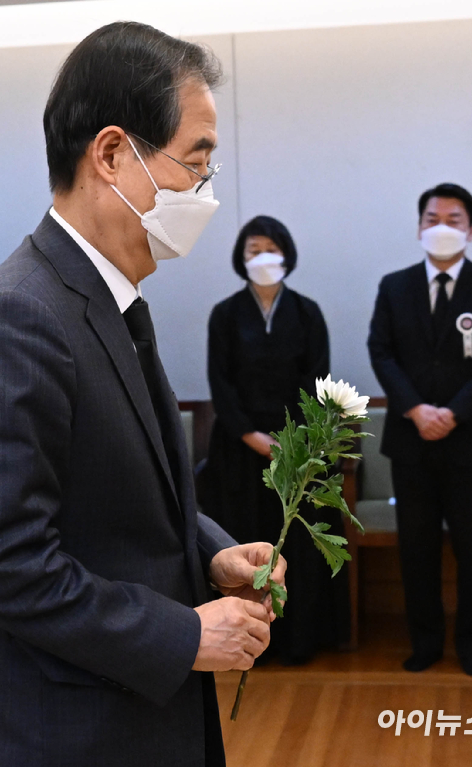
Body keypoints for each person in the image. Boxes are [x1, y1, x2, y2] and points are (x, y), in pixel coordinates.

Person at [0, 22, 286, 767]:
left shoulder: (113, 300)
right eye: (196, 162)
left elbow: (134, 504)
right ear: (113, 153)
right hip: (82, 731)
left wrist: (216, 554)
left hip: (150, 719)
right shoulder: (26, 313)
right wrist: (185, 634)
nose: (205, 191)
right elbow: (15, 563)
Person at [368, 182, 472, 677]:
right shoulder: (394, 286)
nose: (442, 227)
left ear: (471, 230)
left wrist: (452, 412)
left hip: (470, 442)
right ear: (419, 227)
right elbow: (381, 352)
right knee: (418, 550)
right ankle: (425, 643)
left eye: (454, 219)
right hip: (411, 444)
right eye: (433, 218)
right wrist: (414, 409)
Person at [200, 215, 349, 663]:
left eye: (270, 248)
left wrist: (290, 441)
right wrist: (251, 435)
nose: (262, 257)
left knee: (296, 545)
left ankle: (298, 641)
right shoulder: (226, 314)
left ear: (286, 254)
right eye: (252, 250)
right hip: (238, 449)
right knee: (247, 543)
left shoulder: (306, 312)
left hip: (296, 448)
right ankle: (244, 644)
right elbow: (219, 382)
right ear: (240, 259)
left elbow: (317, 378)